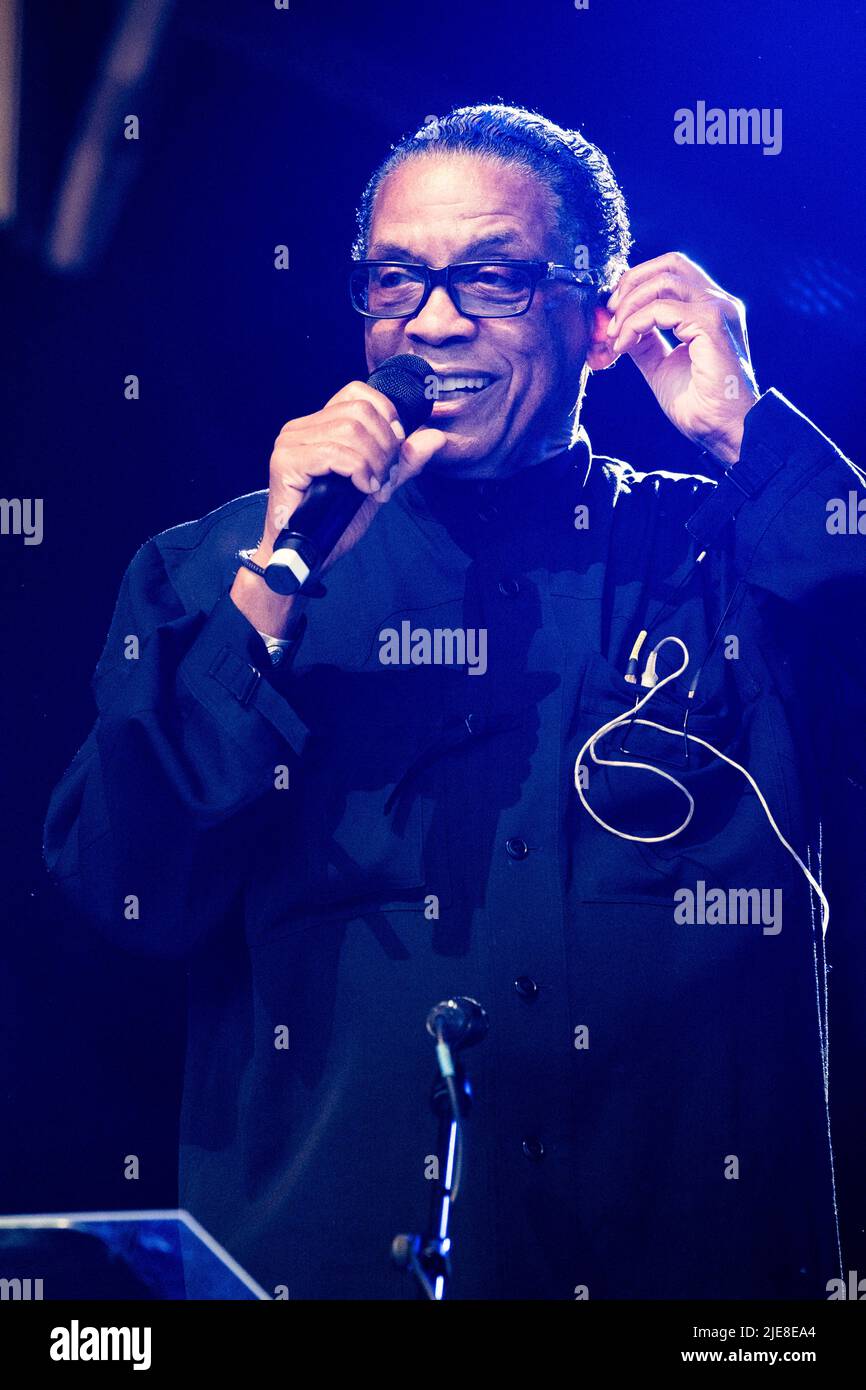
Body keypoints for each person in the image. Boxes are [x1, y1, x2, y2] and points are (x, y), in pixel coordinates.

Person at [44, 103, 865, 1300]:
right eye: (396, 280)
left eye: (491, 277)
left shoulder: (733, 558)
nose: (432, 320)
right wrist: (271, 589)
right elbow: (125, 891)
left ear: (600, 322)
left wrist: (749, 432)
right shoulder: (213, 571)